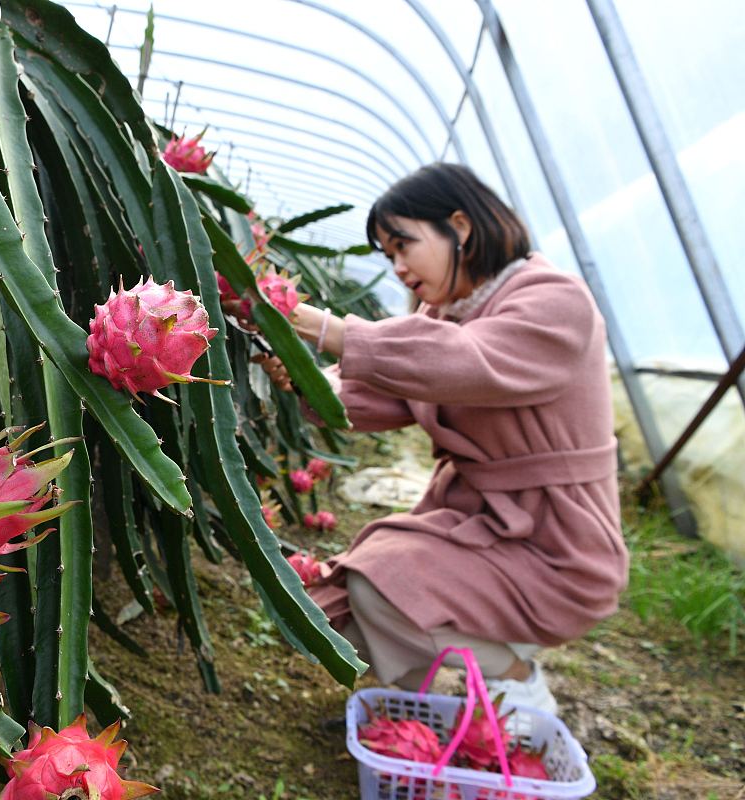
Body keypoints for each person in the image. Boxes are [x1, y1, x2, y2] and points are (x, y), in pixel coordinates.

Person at [244, 163, 628, 715]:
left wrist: (325, 328)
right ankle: (422, 709)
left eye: (405, 246)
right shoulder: (448, 314)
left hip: (555, 543)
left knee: (386, 584)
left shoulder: (554, 300)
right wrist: (305, 376)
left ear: (460, 228)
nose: (398, 268)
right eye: (388, 254)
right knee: (357, 592)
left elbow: (465, 361)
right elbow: (384, 395)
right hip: (486, 523)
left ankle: (517, 682)